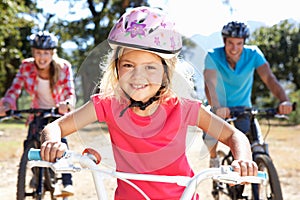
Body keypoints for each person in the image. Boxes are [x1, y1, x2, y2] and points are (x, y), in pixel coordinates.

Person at [39, 7, 258, 199]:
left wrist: (243, 160)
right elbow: (55, 126)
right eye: (128, 65)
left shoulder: (182, 107)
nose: (137, 77)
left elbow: (233, 135)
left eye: (150, 67)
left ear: (166, 71)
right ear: (116, 68)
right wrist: (52, 142)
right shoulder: (108, 104)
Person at [203, 21, 293, 168]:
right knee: (210, 136)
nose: (234, 48)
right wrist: (217, 106)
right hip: (219, 106)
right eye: (230, 43)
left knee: (254, 143)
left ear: (244, 42)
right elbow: (209, 84)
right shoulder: (213, 55)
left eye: (239, 43)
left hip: (243, 107)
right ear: (224, 41)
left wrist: (284, 100)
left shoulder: (253, 54)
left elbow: (269, 79)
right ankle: (213, 158)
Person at [0, 31, 76, 197]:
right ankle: (35, 175)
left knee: (60, 141)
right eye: (38, 53)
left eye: (46, 53)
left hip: (57, 112)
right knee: (29, 143)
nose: (42, 57)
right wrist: (6, 103)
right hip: (36, 112)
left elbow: (70, 93)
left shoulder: (63, 67)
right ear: (33, 52)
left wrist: (67, 105)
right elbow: (15, 89)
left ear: (52, 53)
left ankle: (66, 181)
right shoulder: (26, 66)